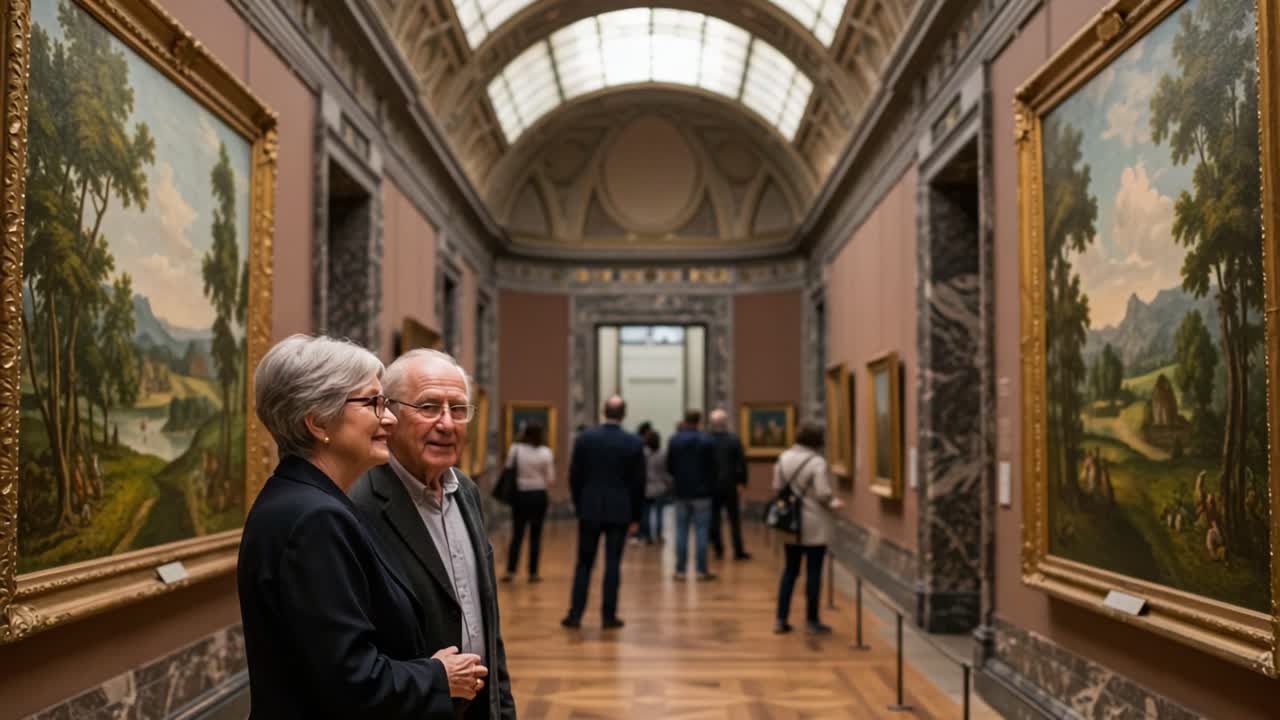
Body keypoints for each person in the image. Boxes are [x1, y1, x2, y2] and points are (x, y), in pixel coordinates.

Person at [238, 335, 473, 718]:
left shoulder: (307, 500)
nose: (390, 418)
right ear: (317, 422)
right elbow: (350, 680)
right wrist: (438, 675)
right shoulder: (314, 519)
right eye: (373, 403)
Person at [349, 349, 516, 719]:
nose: (447, 423)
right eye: (428, 407)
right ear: (389, 413)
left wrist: (501, 709)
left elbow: (485, 619)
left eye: (458, 409)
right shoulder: (358, 505)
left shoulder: (467, 493)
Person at [562, 395, 646, 629]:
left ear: (603, 411)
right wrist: (636, 516)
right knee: (612, 565)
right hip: (620, 510)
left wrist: (580, 504)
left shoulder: (586, 438)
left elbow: (575, 476)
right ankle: (608, 617)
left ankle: (575, 614)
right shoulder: (632, 442)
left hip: (589, 508)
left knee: (584, 564)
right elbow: (638, 484)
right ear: (623, 414)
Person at [772, 422, 844, 635]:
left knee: (790, 571)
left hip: (791, 523)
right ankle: (812, 620)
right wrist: (835, 503)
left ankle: (780, 619)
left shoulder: (783, 458)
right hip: (814, 523)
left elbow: (777, 487)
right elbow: (823, 493)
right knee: (813, 571)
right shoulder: (817, 462)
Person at [666, 409, 718, 581]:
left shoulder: (675, 440)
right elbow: (713, 467)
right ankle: (701, 570)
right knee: (701, 532)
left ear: (685, 420)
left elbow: (670, 467)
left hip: (681, 491)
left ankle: (680, 570)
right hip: (703, 492)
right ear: (699, 421)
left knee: (681, 531)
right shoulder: (708, 441)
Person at [501, 422, 553, 582]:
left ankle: (511, 571)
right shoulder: (546, 452)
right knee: (536, 535)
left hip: (520, 495)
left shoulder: (515, 449)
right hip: (538, 494)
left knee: (517, 533)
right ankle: (533, 572)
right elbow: (550, 478)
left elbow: (508, 467)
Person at [706, 408, 751, 561]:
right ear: (725, 423)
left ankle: (718, 548)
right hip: (730, 485)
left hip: (711, 485)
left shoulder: (706, 440)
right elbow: (741, 463)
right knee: (734, 519)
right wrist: (742, 482)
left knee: (714, 519)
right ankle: (738, 550)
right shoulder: (733, 439)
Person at [642, 429, 673, 544]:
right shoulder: (663, 454)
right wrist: (669, 484)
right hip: (660, 487)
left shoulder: (643, 453)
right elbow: (665, 471)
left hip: (646, 487)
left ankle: (647, 536)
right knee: (659, 513)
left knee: (646, 513)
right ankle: (659, 536)